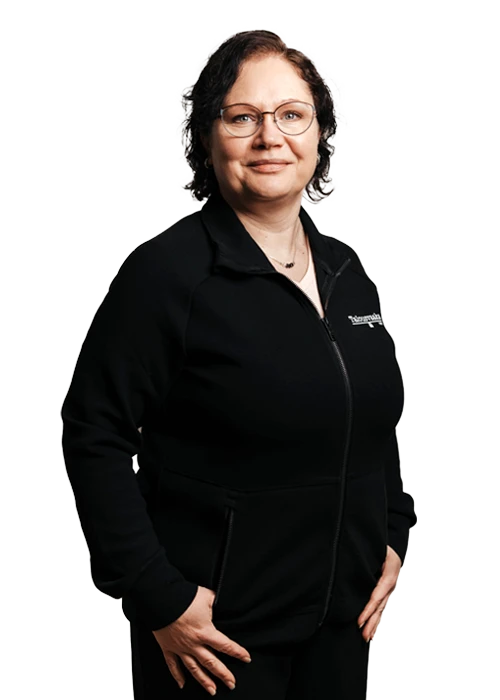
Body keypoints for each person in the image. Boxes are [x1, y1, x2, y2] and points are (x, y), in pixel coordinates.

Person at [60, 29, 417, 699]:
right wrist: (157, 595)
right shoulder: (168, 275)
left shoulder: (345, 272)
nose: (270, 137)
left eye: (292, 115)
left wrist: (393, 529)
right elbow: (93, 432)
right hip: (218, 642)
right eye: (242, 117)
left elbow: (367, 417)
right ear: (208, 137)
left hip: (340, 627)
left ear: (319, 134)